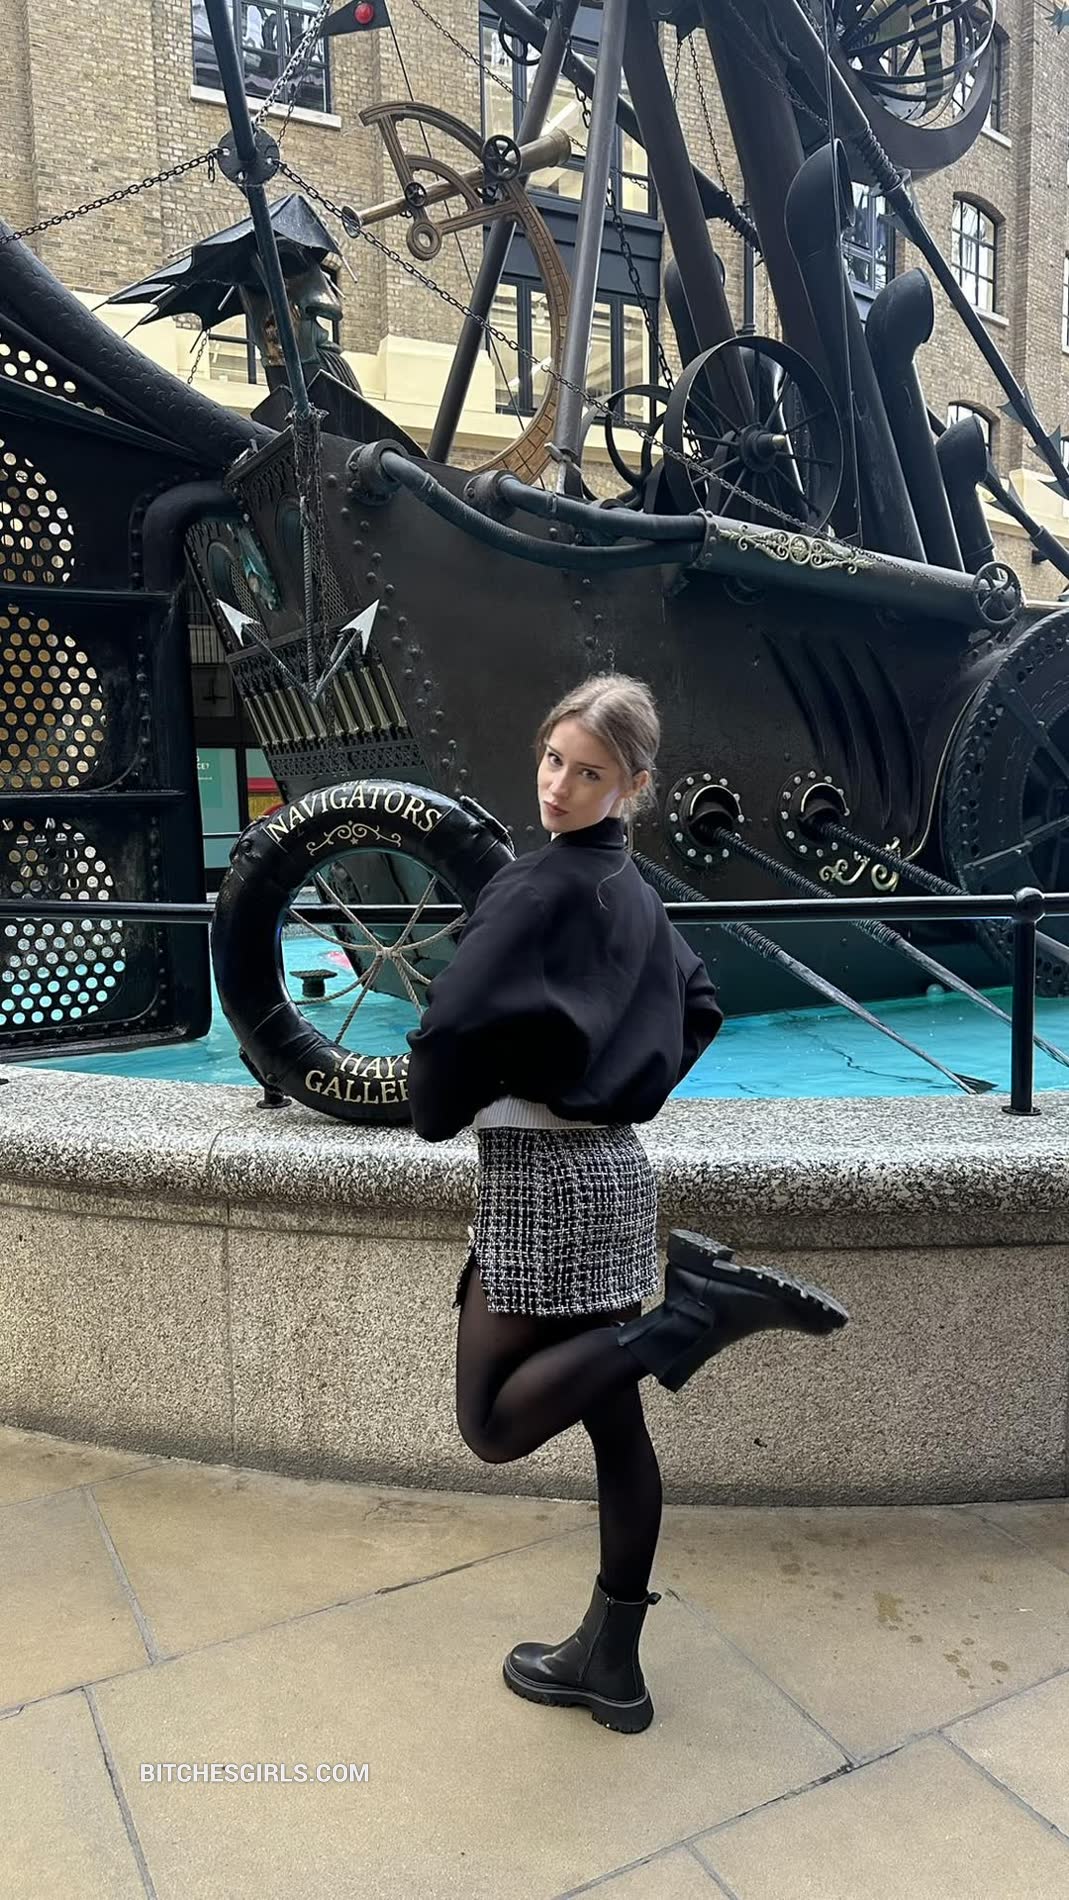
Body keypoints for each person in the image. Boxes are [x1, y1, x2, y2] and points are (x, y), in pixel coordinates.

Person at [405, 673, 848, 1734]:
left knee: (491, 1424)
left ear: (634, 785)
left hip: (541, 1183)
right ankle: (611, 1665)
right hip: (613, 1171)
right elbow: (701, 1004)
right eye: (553, 758)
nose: (558, 785)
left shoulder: (532, 885)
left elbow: (451, 1021)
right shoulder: (635, 893)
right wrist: (617, 1084)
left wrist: (438, 1108)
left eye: (589, 772)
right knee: (615, 1424)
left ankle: (688, 1316)